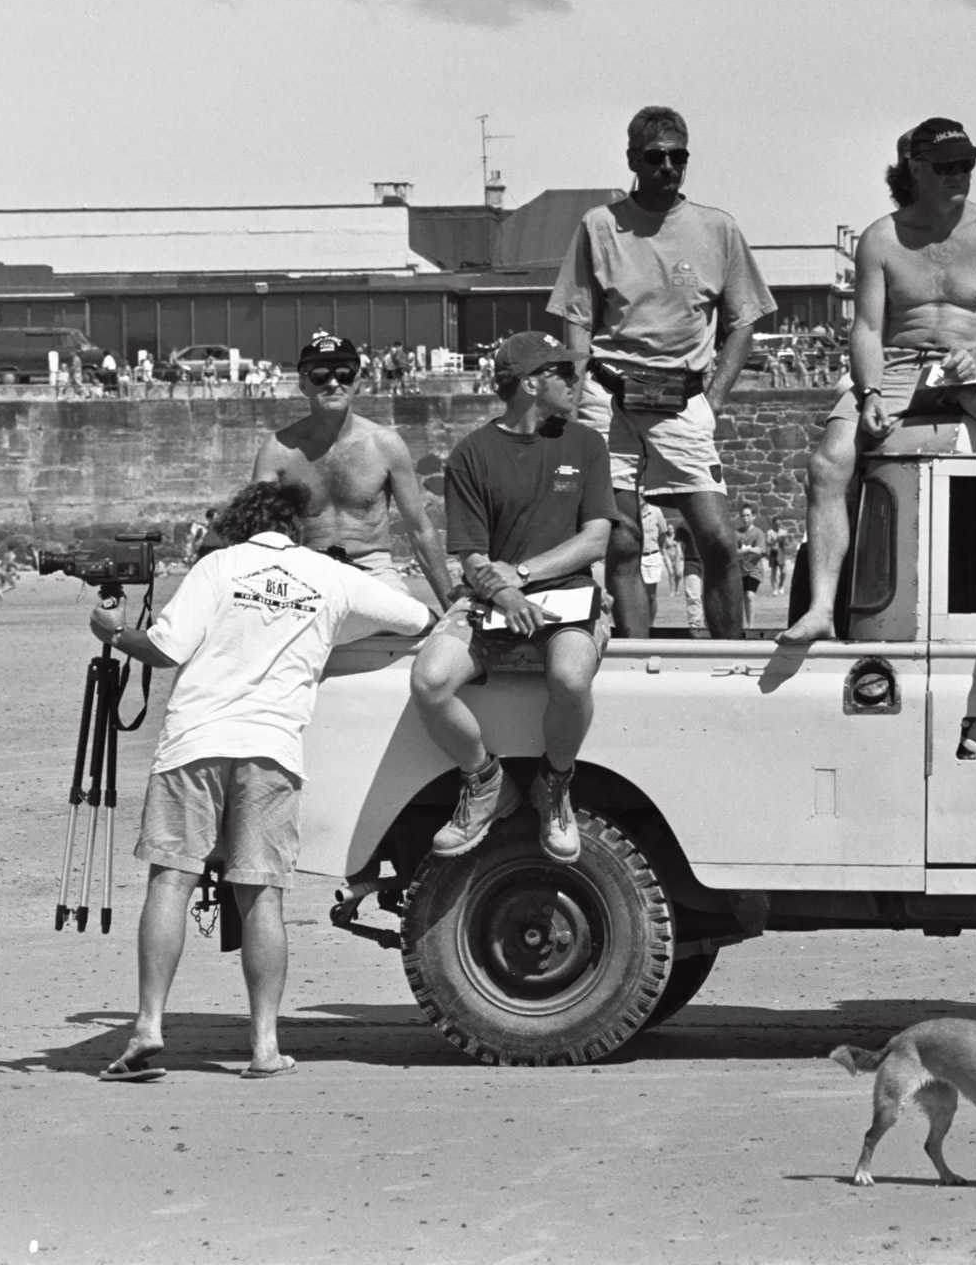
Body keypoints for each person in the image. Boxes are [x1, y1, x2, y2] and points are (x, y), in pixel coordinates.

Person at [90, 481, 435, 1082]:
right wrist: (332, 630)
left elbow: (166, 649)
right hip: (271, 749)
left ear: (240, 521)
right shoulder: (329, 577)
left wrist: (114, 632)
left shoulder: (218, 566)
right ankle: (265, 1045)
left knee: (172, 881)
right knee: (261, 895)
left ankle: (147, 1025)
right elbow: (419, 618)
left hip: (196, 741)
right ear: (298, 526)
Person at [784, 117, 976, 643]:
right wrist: (871, 389)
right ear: (916, 169)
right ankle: (820, 608)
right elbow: (868, 327)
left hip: (972, 362)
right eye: (946, 167)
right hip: (900, 363)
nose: (959, 176)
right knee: (828, 461)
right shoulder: (883, 237)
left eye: (967, 165)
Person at [546, 105, 775, 641]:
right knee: (622, 539)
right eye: (656, 157)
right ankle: (636, 658)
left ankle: (729, 657)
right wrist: (575, 405)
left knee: (716, 537)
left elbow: (745, 319)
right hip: (610, 394)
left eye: (678, 156)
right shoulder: (600, 226)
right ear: (633, 160)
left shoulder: (718, 228)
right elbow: (577, 319)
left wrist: (715, 398)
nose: (668, 166)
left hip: (683, 398)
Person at [410, 333, 616, 865]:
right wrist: (504, 593)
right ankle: (484, 781)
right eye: (564, 373)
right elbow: (472, 559)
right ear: (530, 383)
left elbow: (596, 540)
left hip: (567, 595)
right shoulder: (472, 454)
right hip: (493, 599)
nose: (577, 381)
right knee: (430, 680)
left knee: (570, 677)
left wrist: (521, 575)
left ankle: (555, 784)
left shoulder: (586, 444)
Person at [253, 333, 453, 604]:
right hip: (305, 574)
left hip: (375, 572)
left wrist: (450, 604)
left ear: (357, 382)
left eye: (344, 374)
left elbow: (419, 529)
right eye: (320, 375)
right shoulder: (277, 449)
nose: (333, 383)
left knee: (416, 623)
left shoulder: (386, 445)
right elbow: (256, 532)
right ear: (303, 384)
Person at [735, 503, 768, 629]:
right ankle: (741, 626)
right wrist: (748, 550)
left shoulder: (758, 533)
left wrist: (744, 551)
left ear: (753, 516)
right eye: (743, 515)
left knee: (749, 595)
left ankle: (751, 627)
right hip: (740, 571)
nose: (745, 518)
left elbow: (760, 550)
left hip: (754, 570)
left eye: (748, 515)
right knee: (741, 599)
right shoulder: (736, 533)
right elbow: (734, 552)